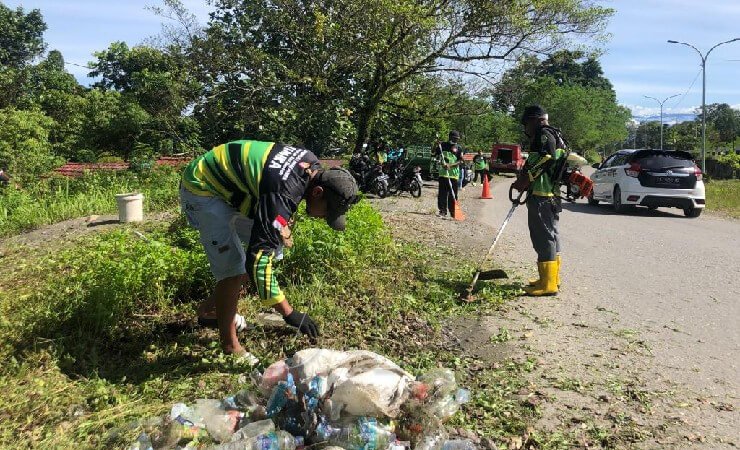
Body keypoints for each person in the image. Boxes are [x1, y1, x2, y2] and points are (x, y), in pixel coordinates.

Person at [180, 140, 359, 356]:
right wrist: (289, 313)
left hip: (238, 187)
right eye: (327, 212)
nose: (324, 218)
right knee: (234, 270)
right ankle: (230, 347)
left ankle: (211, 310)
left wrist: (281, 221)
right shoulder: (282, 194)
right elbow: (257, 259)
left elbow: (278, 185)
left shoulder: (310, 163)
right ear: (318, 192)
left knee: (273, 249)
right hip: (204, 186)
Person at [513, 105, 566, 296]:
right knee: (551, 236)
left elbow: (546, 159)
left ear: (535, 120)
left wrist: (524, 180)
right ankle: (551, 278)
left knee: (543, 238)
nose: (525, 129)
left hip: (542, 196)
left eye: (526, 123)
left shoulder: (543, 134)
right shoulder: (554, 134)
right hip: (551, 194)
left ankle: (548, 285)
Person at [434, 130, 462, 217]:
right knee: (442, 193)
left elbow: (461, 161)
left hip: (453, 174)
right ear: (450, 137)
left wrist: (451, 165)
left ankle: (453, 212)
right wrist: (435, 145)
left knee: (453, 194)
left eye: (457, 139)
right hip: (443, 173)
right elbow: (434, 154)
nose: (456, 140)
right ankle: (442, 211)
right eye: (455, 138)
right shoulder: (442, 145)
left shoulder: (459, 148)